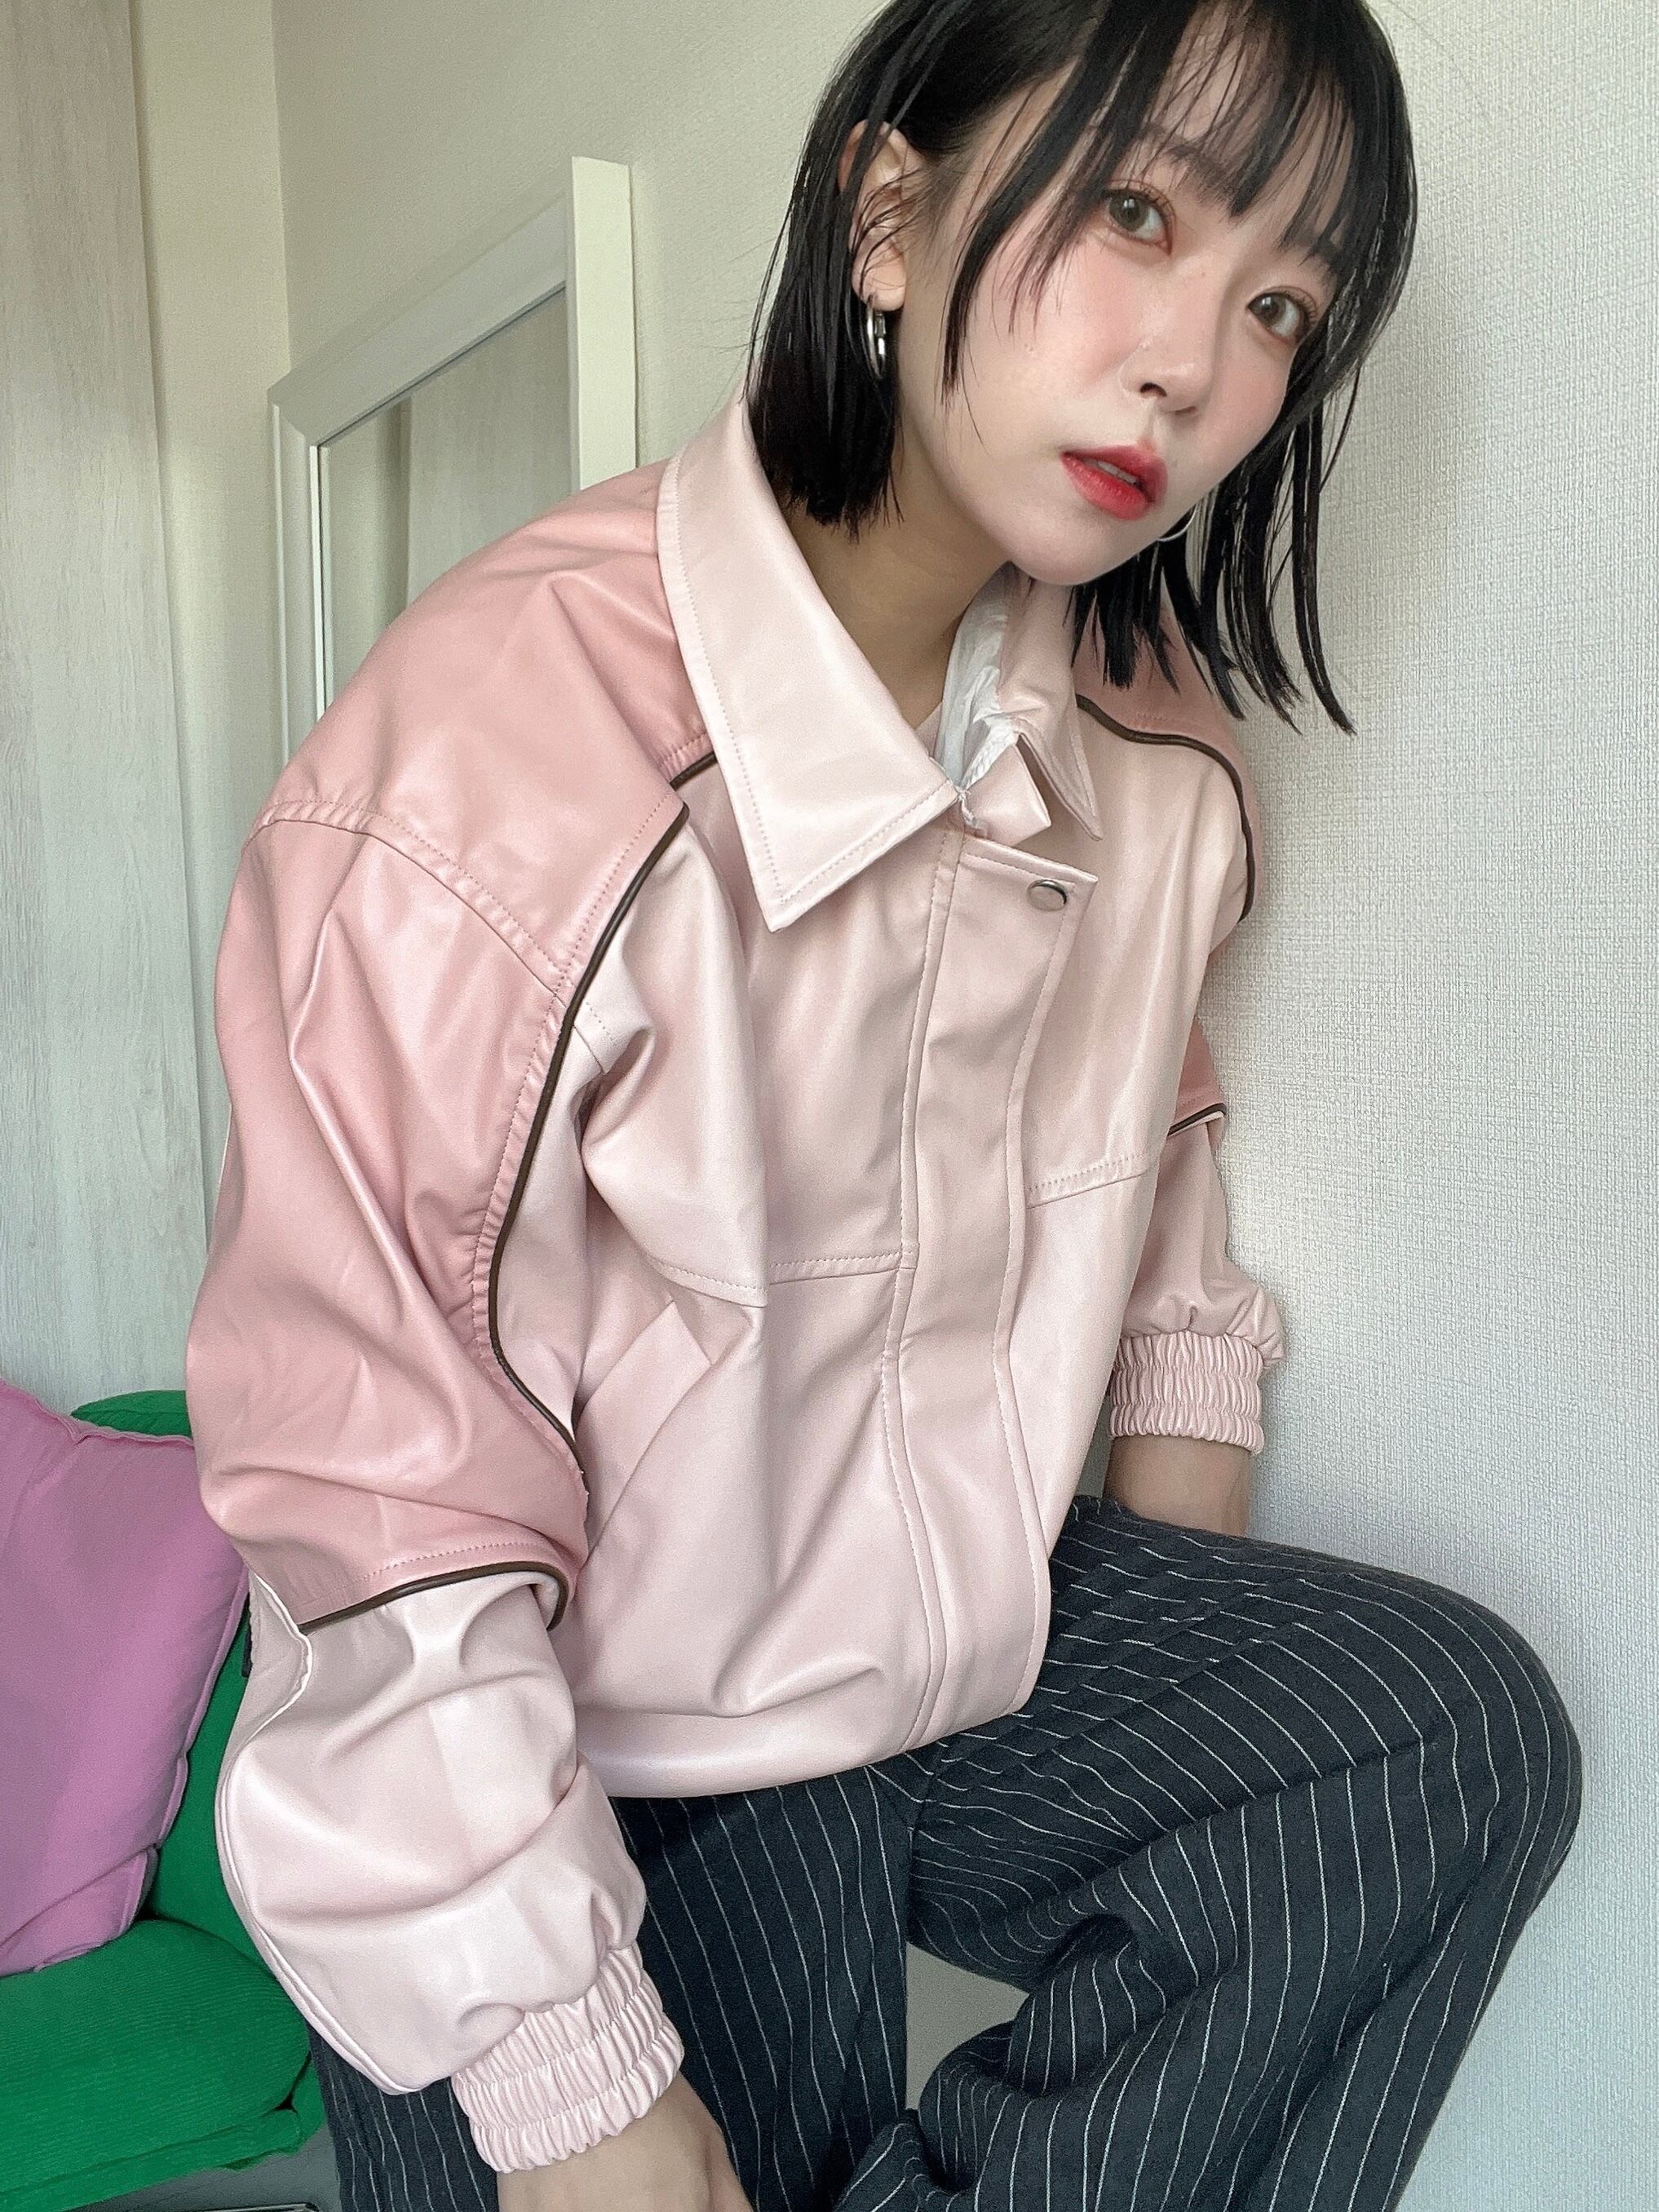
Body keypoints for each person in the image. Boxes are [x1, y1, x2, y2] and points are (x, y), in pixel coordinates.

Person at [184, 0, 1584, 2207]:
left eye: (1280, 308)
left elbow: (1149, 1143)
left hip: (939, 1661)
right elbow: (374, 1496)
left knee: (1435, 1737)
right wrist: (567, 2090)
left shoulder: (1152, 754)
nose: (1192, 368)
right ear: (889, 213)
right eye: (1138, 213)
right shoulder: (483, 769)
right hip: (572, 1737)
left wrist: (1171, 1626)